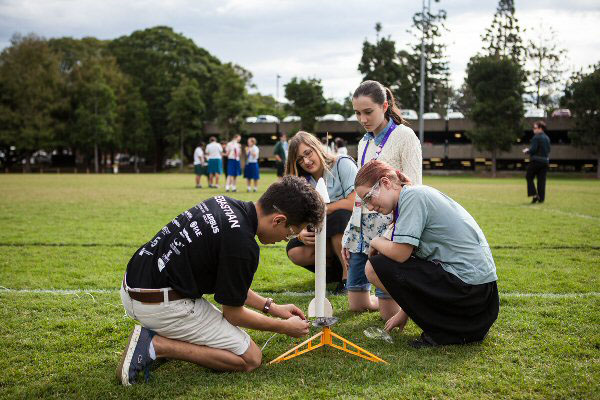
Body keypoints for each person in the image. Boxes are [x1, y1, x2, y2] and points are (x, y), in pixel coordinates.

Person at [117, 176, 325, 385]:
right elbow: (233, 314)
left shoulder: (223, 202)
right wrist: (283, 327)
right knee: (250, 358)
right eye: (289, 234)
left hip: (135, 286)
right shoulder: (242, 245)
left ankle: (162, 331)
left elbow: (228, 284)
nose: (284, 240)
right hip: (158, 303)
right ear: (278, 220)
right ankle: (156, 345)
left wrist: (271, 307)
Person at [355, 160, 499, 348]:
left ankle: (444, 328)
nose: (370, 206)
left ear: (386, 182)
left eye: (368, 198)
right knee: (383, 261)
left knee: (374, 266)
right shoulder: (414, 195)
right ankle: (449, 327)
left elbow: (401, 254)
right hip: (480, 298)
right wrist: (405, 312)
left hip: (471, 294)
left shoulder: (412, 198)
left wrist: (376, 241)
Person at [341, 80, 422, 321]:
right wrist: (350, 232)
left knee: (389, 317)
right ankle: (393, 296)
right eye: (357, 113)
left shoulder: (405, 136)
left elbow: (414, 187)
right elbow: (360, 191)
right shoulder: (363, 142)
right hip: (362, 230)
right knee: (357, 306)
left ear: (384, 106)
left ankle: (406, 299)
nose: (362, 119)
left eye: (368, 112)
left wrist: (396, 231)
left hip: (388, 231)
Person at [284, 131, 357, 294]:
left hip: (354, 233)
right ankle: (333, 273)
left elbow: (355, 202)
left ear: (317, 147)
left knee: (339, 218)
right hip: (325, 232)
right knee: (294, 250)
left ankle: (349, 277)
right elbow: (299, 216)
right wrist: (301, 232)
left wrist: (325, 209)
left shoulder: (342, 163)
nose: (307, 161)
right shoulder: (303, 181)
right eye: (300, 160)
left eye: (308, 153)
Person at [524, 121, 551, 203]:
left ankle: (535, 195)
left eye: (535, 128)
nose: (533, 129)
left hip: (536, 161)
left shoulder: (536, 137)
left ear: (540, 128)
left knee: (529, 177)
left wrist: (527, 150)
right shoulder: (547, 138)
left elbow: (533, 150)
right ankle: (541, 199)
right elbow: (549, 150)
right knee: (541, 181)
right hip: (545, 161)